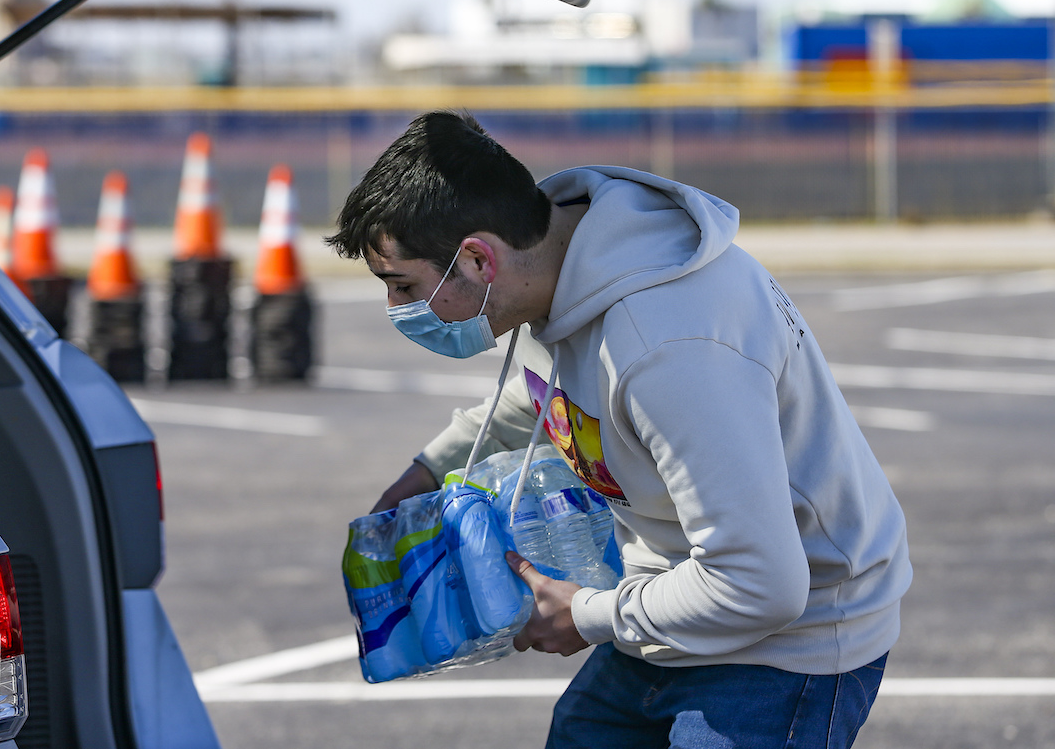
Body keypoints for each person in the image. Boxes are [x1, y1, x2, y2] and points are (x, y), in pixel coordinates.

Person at [326, 110, 911, 749]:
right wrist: (430, 470)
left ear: (476, 259)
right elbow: (550, 396)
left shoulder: (667, 346)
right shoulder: (559, 268)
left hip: (785, 644)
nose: (397, 311)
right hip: (670, 602)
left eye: (403, 286)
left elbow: (762, 583)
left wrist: (583, 615)